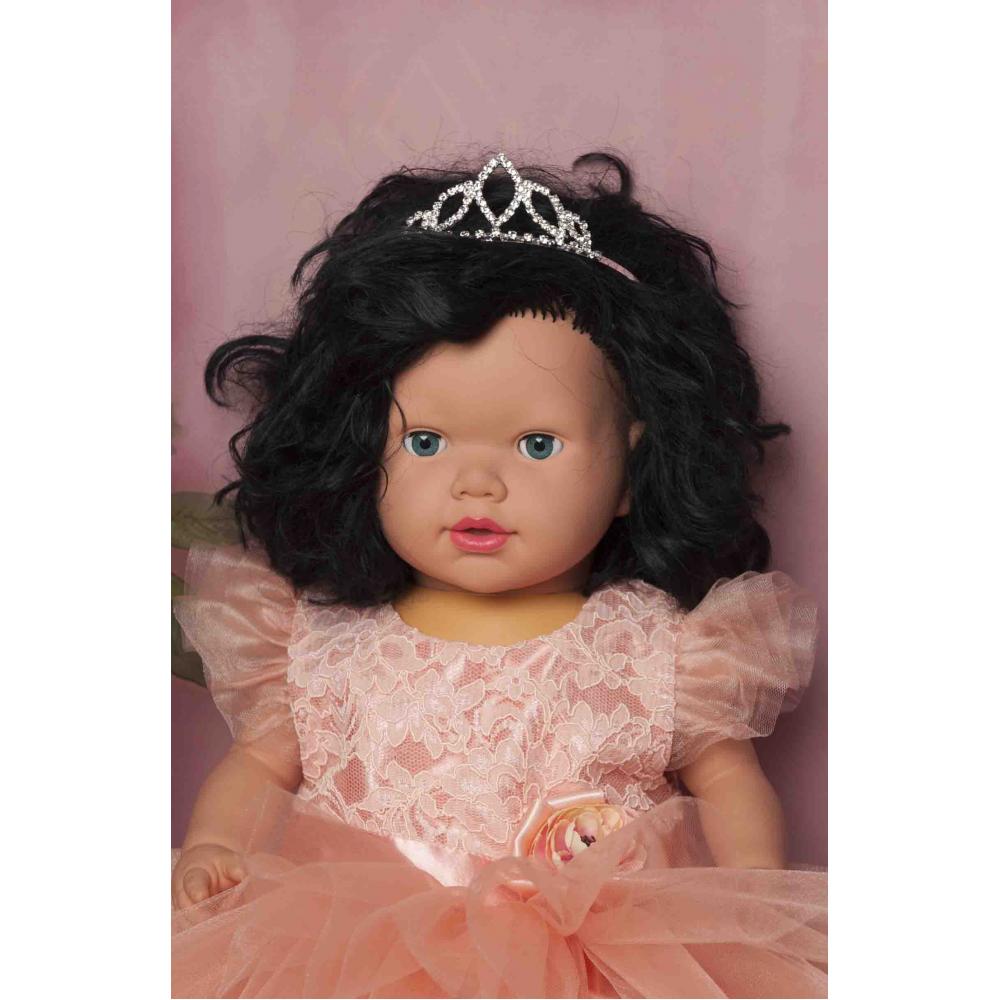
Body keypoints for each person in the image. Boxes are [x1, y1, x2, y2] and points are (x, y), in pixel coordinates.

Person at [171, 150, 827, 997]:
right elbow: (260, 769)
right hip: (355, 958)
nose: (477, 483)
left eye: (537, 445)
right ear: (359, 451)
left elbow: (730, 780)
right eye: (426, 441)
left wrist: (748, 897)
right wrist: (214, 847)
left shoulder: (662, 647)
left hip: (598, 961)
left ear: (633, 469)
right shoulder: (315, 645)